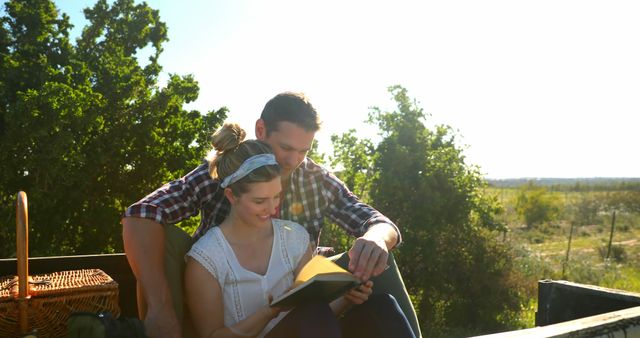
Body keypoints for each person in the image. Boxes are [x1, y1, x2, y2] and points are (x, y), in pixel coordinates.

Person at [122, 92, 421, 338]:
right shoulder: (227, 171)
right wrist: (160, 309)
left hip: (299, 293)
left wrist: (375, 240)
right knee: (162, 236)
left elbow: (377, 222)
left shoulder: (316, 180)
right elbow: (141, 214)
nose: (293, 161)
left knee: (376, 261)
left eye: (303, 151)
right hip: (224, 301)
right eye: (286, 148)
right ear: (261, 130)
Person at [184, 123, 415, 338]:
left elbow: (320, 315)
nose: (271, 208)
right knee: (311, 313)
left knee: (382, 307)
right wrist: (269, 312)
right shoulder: (205, 260)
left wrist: (345, 297)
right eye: (259, 201)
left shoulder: (294, 237)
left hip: (307, 328)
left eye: (276, 197)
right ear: (231, 196)